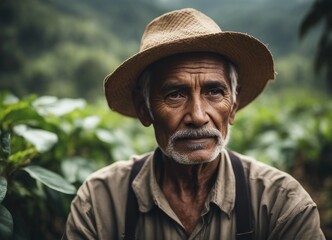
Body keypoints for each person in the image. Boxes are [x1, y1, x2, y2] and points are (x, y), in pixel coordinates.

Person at [62, 8, 325, 240]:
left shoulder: (280, 204)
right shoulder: (100, 202)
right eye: (175, 94)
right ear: (145, 110)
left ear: (233, 106)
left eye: (213, 92)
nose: (198, 116)